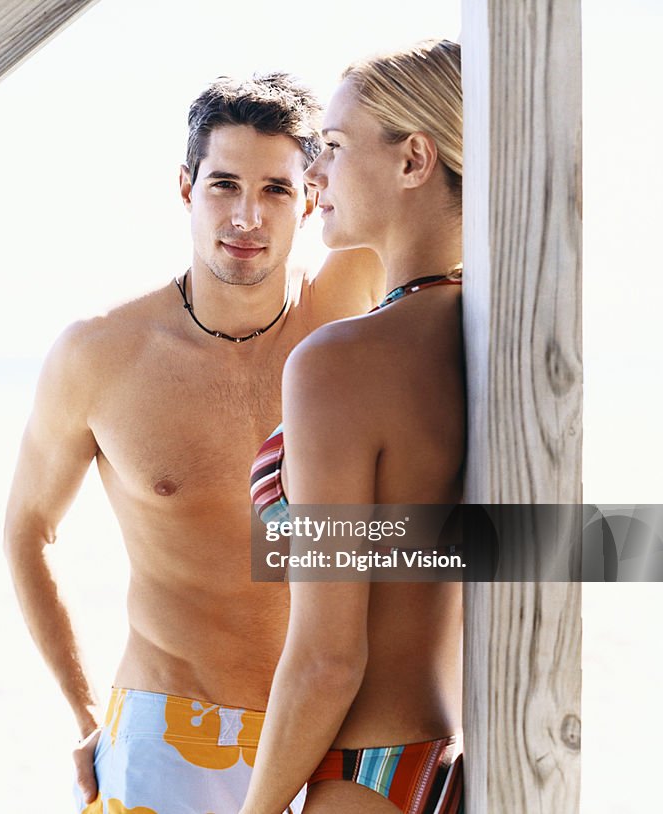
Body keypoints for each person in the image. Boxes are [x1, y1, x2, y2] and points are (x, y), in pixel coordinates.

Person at [3, 73, 383, 814]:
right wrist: (85, 716)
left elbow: (452, 171)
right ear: (185, 188)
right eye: (224, 185)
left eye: (276, 189)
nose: (247, 216)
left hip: (332, 738)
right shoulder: (101, 354)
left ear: (312, 197)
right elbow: (28, 529)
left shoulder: (342, 306)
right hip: (169, 732)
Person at [240, 41, 466, 814]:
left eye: (333, 148)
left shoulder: (340, 362)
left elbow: (329, 658)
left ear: (413, 161)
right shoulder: (485, 338)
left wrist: (258, 807)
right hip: (447, 761)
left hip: (361, 771)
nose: (313, 176)